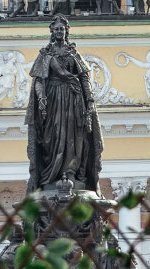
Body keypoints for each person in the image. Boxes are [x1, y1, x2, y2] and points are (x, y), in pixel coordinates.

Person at [25, 16, 102, 192]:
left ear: (67, 31)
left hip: (73, 98)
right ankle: (50, 174)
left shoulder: (73, 53)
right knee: (50, 136)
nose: (60, 31)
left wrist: (89, 100)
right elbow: (38, 80)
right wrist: (41, 97)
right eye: (57, 29)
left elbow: (84, 78)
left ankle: (71, 172)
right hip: (52, 100)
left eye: (62, 29)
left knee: (73, 137)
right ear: (52, 32)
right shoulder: (45, 54)